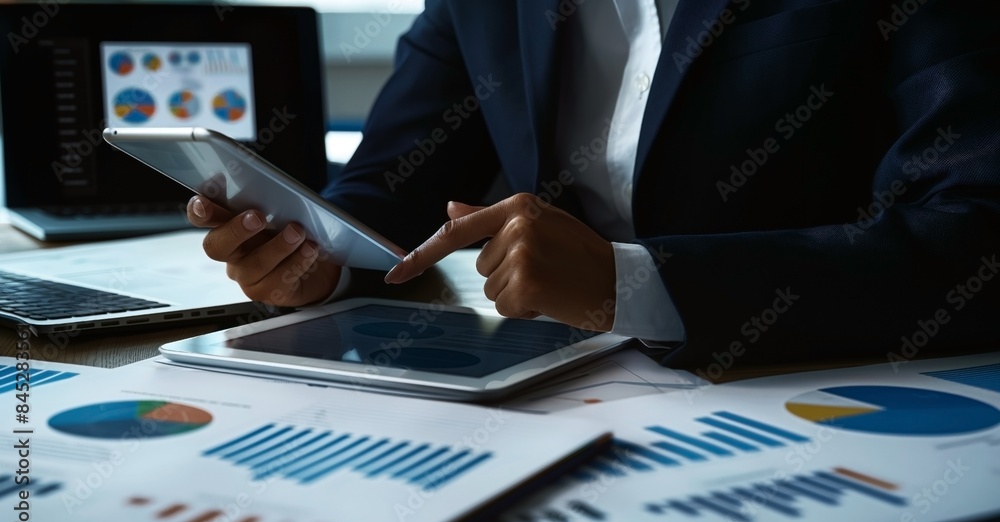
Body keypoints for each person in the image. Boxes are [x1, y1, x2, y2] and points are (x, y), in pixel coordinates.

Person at [187, 0, 1000, 369]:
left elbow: (975, 232)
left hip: (825, 385)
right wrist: (309, 255)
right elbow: (389, 189)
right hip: (574, 394)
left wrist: (632, 284)